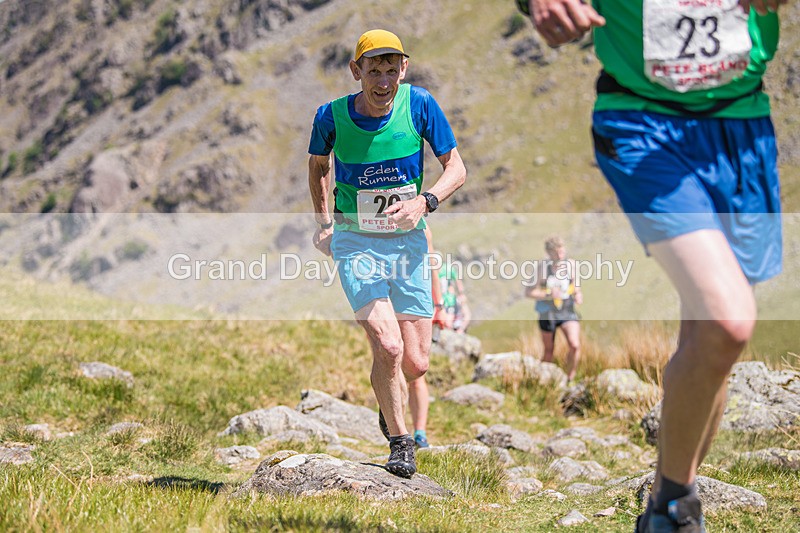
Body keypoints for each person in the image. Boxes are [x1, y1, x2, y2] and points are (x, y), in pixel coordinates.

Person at [518, 0, 785, 530]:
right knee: (729, 320)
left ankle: (666, 503)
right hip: (644, 124)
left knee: (712, 339)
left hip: (742, 125)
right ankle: (676, 508)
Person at [308, 29, 466, 477]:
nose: (382, 80)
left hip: (408, 242)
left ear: (404, 69)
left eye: (391, 69)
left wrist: (425, 201)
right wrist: (323, 223)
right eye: (373, 70)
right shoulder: (331, 116)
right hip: (356, 240)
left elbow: (456, 167)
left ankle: (387, 397)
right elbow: (319, 165)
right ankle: (401, 441)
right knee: (388, 345)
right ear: (356, 72)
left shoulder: (419, 105)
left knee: (415, 364)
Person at [524, 236, 582, 381]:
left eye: (562, 252)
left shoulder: (571, 265)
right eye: (556, 253)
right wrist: (548, 294)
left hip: (567, 310)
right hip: (547, 313)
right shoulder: (542, 268)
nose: (560, 256)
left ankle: (570, 378)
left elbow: (576, 285)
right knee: (549, 350)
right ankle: (541, 380)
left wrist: (578, 294)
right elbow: (529, 292)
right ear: (549, 253)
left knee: (574, 345)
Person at [439, 261, 472, 334]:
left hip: (449, 301)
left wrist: (461, 294)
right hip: (441, 301)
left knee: (448, 322)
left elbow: (467, 316)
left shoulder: (448, 268)